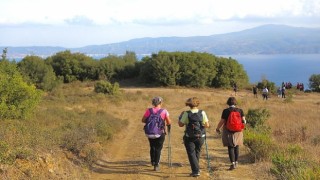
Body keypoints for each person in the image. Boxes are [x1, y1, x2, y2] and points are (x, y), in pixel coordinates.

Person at [178, 97, 210, 177]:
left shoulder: (186, 113)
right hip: (200, 136)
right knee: (197, 152)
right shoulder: (202, 112)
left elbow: (180, 124)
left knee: (191, 153)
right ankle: (196, 168)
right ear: (197, 103)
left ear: (189, 104)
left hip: (189, 137)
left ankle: (196, 171)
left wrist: (180, 117)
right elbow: (207, 125)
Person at [215, 97, 246, 170]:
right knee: (236, 146)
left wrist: (217, 128)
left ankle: (232, 163)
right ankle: (236, 162)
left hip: (228, 130)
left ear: (228, 103)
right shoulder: (240, 110)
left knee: (230, 146)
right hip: (238, 130)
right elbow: (244, 121)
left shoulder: (226, 111)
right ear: (235, 102)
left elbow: (222, 121)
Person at [142, 97, 171, 171]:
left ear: (153, 103)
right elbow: (169, 122)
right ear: (160, 103)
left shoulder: (149, 110)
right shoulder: (164, 111)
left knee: (152, 146)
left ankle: (152, 161)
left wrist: (151, 123)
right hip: (160, 133)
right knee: (158, 148)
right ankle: (156, 164)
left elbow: (143, 120)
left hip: (150, 132)